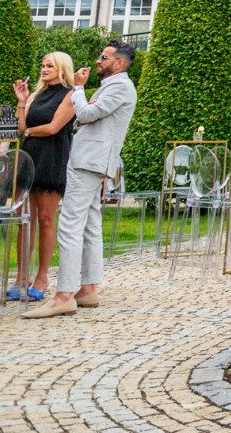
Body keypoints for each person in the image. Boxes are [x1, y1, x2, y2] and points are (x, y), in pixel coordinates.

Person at [22, 40, 138, 319]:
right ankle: (87, 289)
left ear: (119, 63)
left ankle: (63, 295)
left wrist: (77, 88)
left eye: (104, 57)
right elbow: (85, 119)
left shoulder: (120, 86)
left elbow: (84, 113)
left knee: (71, 225)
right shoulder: (111, 86)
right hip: (92, 159)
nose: (98, 61)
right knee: (90, 224)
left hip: (89, 161)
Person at [10, 51, 78, 302]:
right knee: (24, 219)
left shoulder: (70, 94)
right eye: (42, 65)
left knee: (47, 218)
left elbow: (53, 128)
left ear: (62, 68)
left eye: (50, 65)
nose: (44, 69)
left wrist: (29, 131)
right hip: (29, 157)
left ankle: (41, 276)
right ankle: (20, 275)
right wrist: (21, 101)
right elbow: (20, 128)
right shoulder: (36, 94)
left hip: (52, 158)